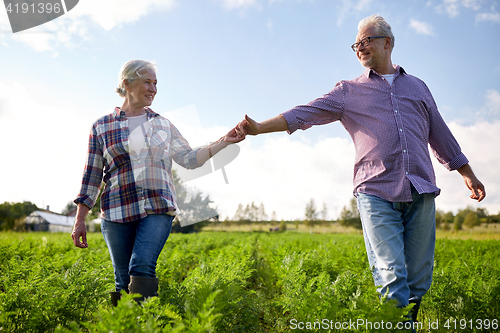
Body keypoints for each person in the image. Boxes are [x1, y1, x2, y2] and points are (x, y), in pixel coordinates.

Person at [235, 14, 485, 325]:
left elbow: (440, 132)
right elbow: (305, 113)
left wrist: (467, 173)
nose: (360, 48)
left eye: (366, 41)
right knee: (393, 277)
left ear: (388, 43)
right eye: (356, 44)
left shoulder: (418, 87)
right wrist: (259, 127)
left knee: (418, 279)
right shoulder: (348, 92)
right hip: (375, 191)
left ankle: (406, 322)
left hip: (420, 189)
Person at [71, 59, 244, 305]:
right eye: (147, 82)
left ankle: (147, 323)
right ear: (127, 84)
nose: (153, 89)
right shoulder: (101, 126)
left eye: (155, 83)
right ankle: (126, 326)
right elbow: (92, 176)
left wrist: (224, 141)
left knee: (141, 265)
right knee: (122, 280)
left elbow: (189, 158)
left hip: (157, 207)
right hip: (116, 210)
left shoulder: (162, 124)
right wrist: (79, 220)